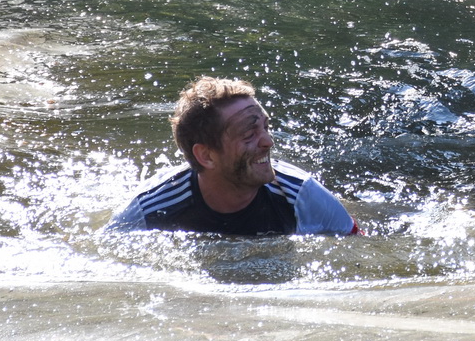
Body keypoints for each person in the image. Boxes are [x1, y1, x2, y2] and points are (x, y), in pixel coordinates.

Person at [105, 76, 358, 236]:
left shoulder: (301, 195)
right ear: (206, 155)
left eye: (266, 127)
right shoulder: (149, 211)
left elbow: (358, 249)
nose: (268, 142)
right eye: (249, 133)